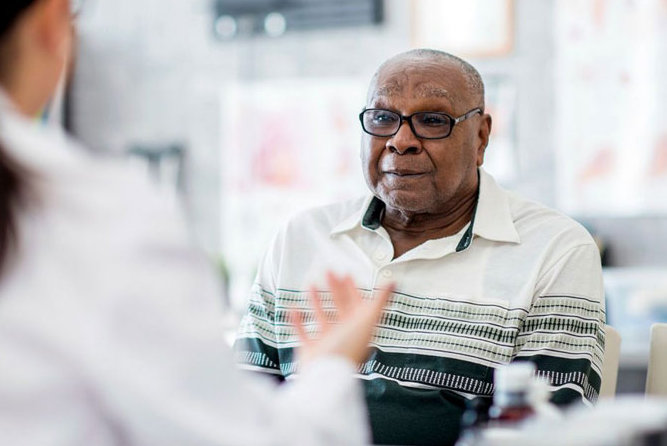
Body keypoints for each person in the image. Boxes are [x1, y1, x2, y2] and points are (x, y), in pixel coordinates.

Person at [0, 0, 393, 444]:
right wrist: (329, 368)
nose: (403, 143)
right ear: (54, 15)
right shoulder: (97, 216)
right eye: (384, 120)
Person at [236, 49, 606, 446]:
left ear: (481, 137)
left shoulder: (554, 249)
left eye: (432, 121)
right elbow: (240, 410)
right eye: (383, 118)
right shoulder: (300, 237)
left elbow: (551, 433)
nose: (401, 140)